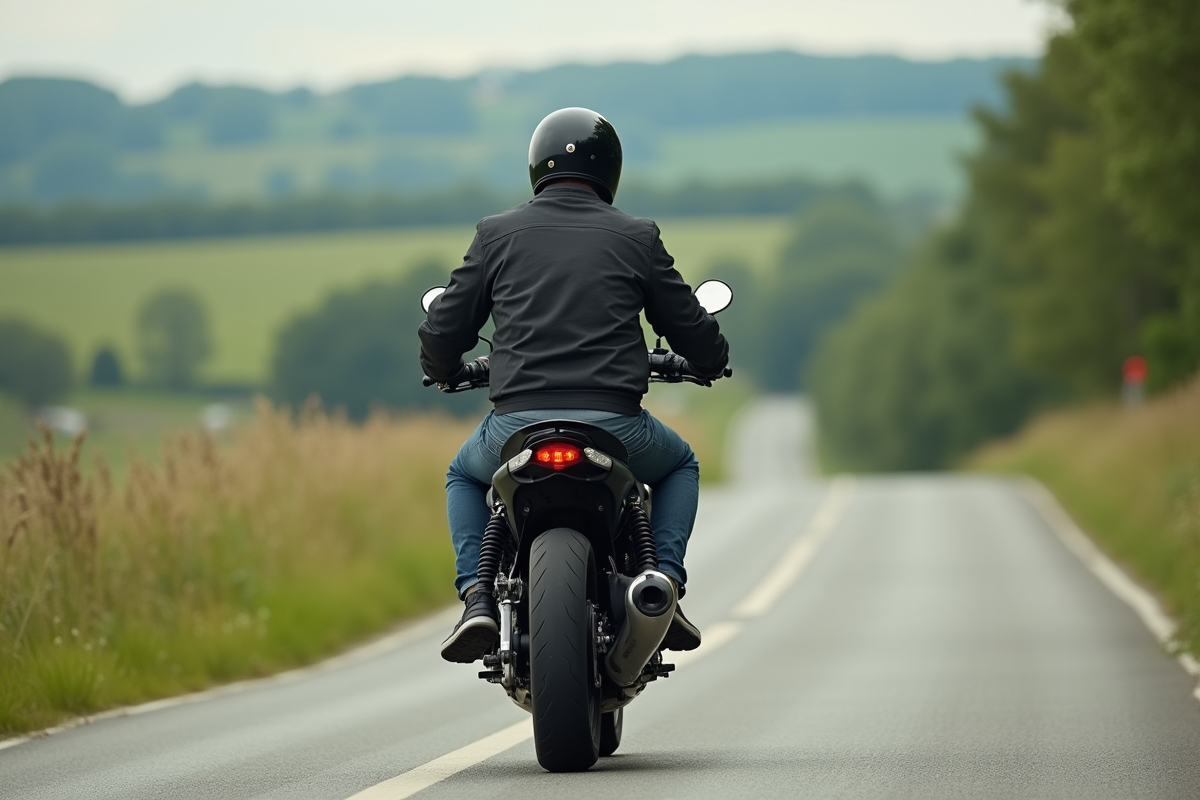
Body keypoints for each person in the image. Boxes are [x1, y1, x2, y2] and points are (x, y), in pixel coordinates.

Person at [419, 107, 730, 664]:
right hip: (616, 427)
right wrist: (708, 360)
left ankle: (478, 599)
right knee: (680, 462)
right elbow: (689, 325)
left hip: (515, 427)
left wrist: (443, 371)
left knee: (463, 474)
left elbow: (445, 329)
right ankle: (664, 585)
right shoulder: (637, 236)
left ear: (536, 166)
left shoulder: (495, 234)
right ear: (609, 169)